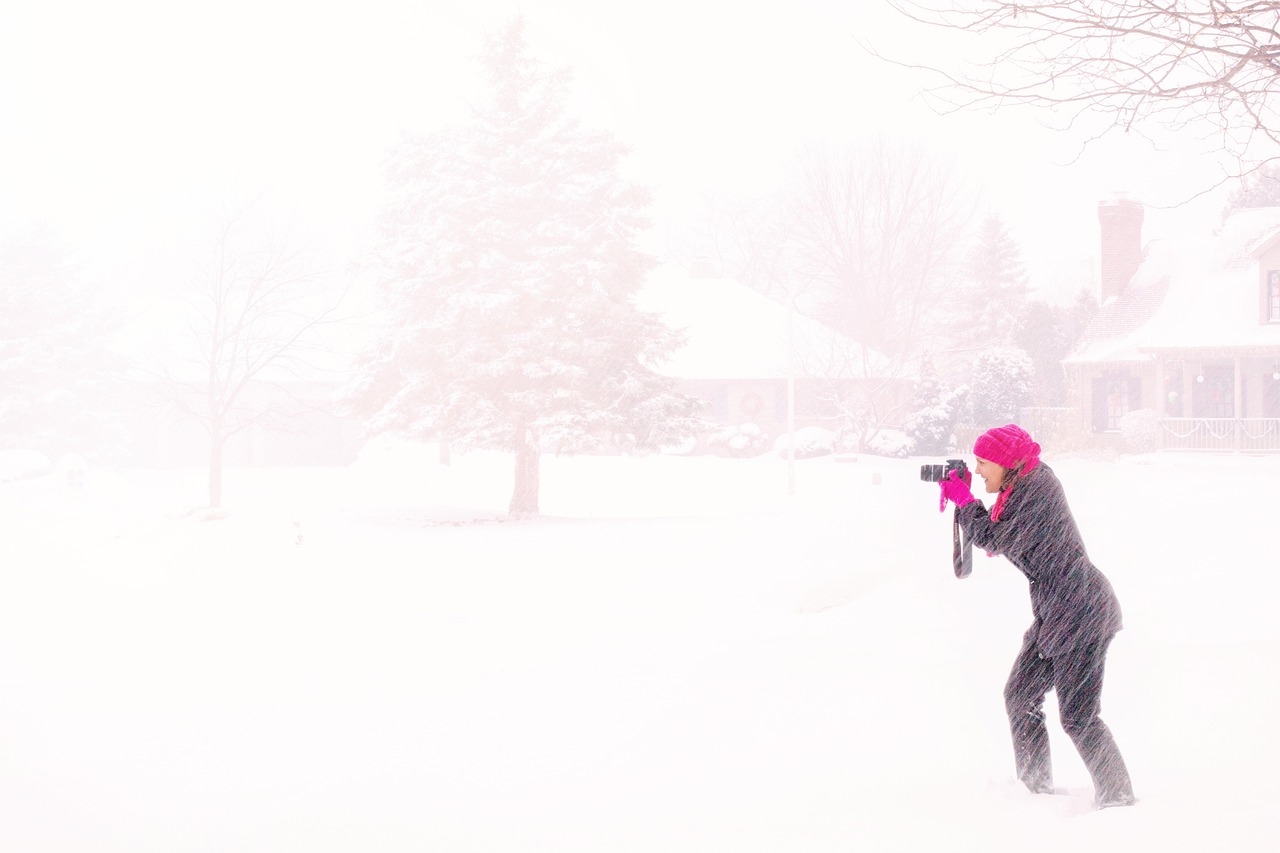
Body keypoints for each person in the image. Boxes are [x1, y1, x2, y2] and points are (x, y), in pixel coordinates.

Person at [937, 423, 1136, 810]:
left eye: (982, 462)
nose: (978, 470)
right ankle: (1034, 791)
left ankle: (1118, 800)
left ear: (1006, 462)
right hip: (1056, 613)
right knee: (1020, 695)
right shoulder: (1022, 484)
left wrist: (964, 501)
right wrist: (967, 503)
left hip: (1081, 613)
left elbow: (995, 538)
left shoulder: (1037, 490)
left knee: (1079, 717)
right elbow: (998, 534)